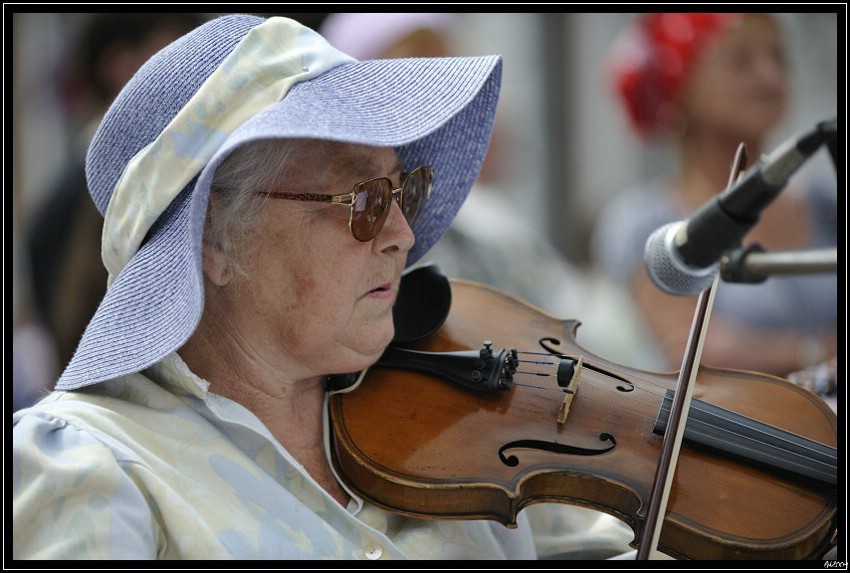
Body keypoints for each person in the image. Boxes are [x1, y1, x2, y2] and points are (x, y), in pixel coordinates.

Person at [12, 14, 635, 560]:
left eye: (403, 191)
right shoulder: (92, 468)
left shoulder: (457, 427)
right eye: (363, 200)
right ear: (214, 240)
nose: (402, 234)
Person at [591, 13, 838, 388]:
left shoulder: (826, 203)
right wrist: (820, 351)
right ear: (679, 87)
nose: (770, 76)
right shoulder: (647, 219)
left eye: (778, 58)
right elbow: (697, 350)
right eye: (741, 61)